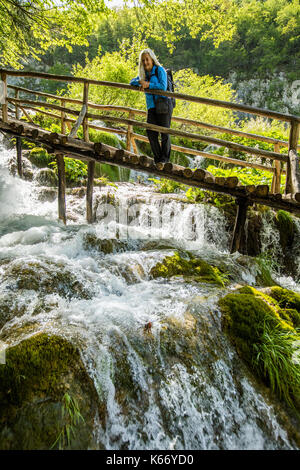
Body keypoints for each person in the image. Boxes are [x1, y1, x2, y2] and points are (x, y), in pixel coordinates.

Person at [130, 48, 173, 163]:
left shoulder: (160, 70)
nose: (145, 62)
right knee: (151, 132)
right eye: (143, 60)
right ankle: (158, 159)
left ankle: (165, 160)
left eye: (147, 60)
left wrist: (148, 85)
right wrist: (140, 83)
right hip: (151, 107)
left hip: (163, 104)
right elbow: (131, 82)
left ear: (152, 59)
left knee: (164, 133)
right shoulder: (143, 74)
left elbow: (163, 86)